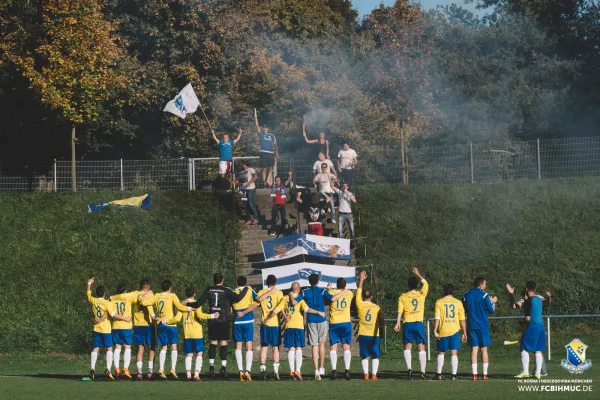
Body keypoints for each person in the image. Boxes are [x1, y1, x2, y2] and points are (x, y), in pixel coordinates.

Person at [188, 273, 249, 379]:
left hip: (212, 319)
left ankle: (211, 367)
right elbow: (238, 298)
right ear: (222, 280)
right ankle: (223, 368)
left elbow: (198, 304)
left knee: (213, 342)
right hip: (223, 319)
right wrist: (246, 289)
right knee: (223, 343)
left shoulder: (209, 290)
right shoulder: (226, 290)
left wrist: (186, 304)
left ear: (214, 280)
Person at [269, 281, 324, 381]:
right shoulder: (300, 299)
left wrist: (276, 318)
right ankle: (297, 370)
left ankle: (291, 370)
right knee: (298, 348)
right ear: (299, 289)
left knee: (291, 349)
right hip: (298, 327)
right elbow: (307, 310)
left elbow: (277, 309)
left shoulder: (285, 298)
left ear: (291, 288)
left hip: (288, 326)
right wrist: (318, 312)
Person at [86, 278, 130, 381]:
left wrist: (89, 284)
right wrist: (125, 318)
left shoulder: (94, 300)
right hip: (106, 329)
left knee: (95, 349)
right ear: (104, 293)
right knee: (109, 349)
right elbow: (113, 314)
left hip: (96, 328)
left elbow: (88, 294)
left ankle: (92, 369)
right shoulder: (107, 303)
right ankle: (108, 370)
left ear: (97, 294)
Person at [508, 281, 552, 379]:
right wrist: (549, 297)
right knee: (538, 350)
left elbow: (514, 306)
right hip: (541, 326)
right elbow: (547, 303)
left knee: (523, 347)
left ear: (526, 288)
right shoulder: (539, 299)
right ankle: (537, 373)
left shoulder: (528, 301)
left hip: (533, 326)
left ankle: (525, 371)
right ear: (535, 288)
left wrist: (511, 294)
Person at [289, 273, 329, 380]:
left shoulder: (305, 292)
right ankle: (321, 367)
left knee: (314, 346)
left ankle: (316, 370)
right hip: (322, 319)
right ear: (318, 281)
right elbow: (332, 298)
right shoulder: (322, 290)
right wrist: (329, 288)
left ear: (309, 282)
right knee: (321, 344)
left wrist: (290, 294)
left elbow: (293, 302)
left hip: (311, 320)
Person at [110, 282, 152, 380]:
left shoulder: (114, 298)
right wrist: (149, 291)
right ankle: (125, 368)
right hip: (126, 326)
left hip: (115, 325)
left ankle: (116, 368)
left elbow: (109, 300)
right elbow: (140, 296)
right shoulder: (129, 296)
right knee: (127, 348)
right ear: (125, 291)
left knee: (117, 347)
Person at [153, 279, 194, 380]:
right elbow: (180, 306)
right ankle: (173, 369)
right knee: (174, 347)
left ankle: (161, 369)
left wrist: (154, 316)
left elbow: (149, 303)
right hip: (171, 325)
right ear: (170, 288)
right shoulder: (172, 296)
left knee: (164, 347)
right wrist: (189, 308)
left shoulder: (157, 296)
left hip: (161, 324)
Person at [393, 267, 429, 380]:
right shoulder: (421, 294)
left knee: (408, 346)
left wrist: (398, 322)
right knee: (421, 346)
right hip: (418, 323)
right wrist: (418, 273)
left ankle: (409, 369)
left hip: (407, 323)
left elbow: (400, 311)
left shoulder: (403, 296)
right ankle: (422, 372)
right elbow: (426, 283)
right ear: (417, 286)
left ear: (408, 286)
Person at [180, 287, 219, 381]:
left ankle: (188, 374)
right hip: (197, 332)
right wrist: (212, 316)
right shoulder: (196, 303)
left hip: (187, 332)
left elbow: (178, 316)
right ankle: (196, 374)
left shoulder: (182, 304)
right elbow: (200, 315)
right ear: (194, 294)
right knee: (199, 353)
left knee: (189, 354)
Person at [463, 276, 497, 380]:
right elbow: (491, 310)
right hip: (482, 326)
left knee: (474, 350)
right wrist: (493, 302)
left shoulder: (466, 295)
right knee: (484, 349)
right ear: (481, 284)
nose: (485, 286)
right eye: (485, 284)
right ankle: (485, 374)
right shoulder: (484, 295)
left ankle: (474, 374)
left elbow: (465, 308)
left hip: (471, 325)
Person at [433, 284, 467, 380]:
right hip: (455, 331)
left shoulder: (439, 302)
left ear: (444, 291)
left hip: (443, 330)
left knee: (441, 352)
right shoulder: (458, 302)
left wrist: (435, 330)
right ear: (453, 291)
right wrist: (464, 332)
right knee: (454, 353)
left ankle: (439, 374)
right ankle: (454, 375)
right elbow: (462, 319)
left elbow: (437, 318)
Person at [253, 275, 284, 380]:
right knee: (275, 347)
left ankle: (263, 371)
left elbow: (257, 301)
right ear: (275, 282)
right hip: (274, 323)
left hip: (264, 323)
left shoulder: (262, 292)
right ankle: (275, 372)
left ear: (267, 282)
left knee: (264, 347)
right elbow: (281, 307)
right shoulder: (279, 292)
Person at [326, 278, 354, 380]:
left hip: (334, 322)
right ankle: (347, 371)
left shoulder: (331, 292)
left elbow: (328, 295)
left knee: (333, 347)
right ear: (345, 285)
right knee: (346, 347)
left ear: (336, 285)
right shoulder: (349, 293)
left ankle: (334, 371)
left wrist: (329, 287)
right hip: (346, 322)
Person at [356, 271, 382, 380]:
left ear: (362, 297)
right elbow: (381, 321)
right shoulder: (377, 308)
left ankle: (366, 374)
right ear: (371, 297)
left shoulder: (360, 304)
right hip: (374, 335)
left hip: (363, 334)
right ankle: (374, 374)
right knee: (375, 355)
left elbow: (358, 291)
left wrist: (361, 280)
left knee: (365, 355)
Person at [231, 276, 258, 382]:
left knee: (238, 345)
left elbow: (230, 306)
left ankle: (240, 371)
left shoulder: (233, 292)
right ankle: (248, 371)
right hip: (247, 321)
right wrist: (244, 312)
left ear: (237, 283)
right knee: (249, 345)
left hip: (237, 321)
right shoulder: (250, 290)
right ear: (246, 283)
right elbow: (256, 303)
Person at [132, 279, 156, 381]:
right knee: (151, 347)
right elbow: (150, 305)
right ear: (147, 287)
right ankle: (150, 372)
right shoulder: (150, 294)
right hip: (147, 324)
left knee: (140, 349)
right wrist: (153, 316)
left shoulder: (135, 294)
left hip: (137, 324)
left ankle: (139, 373)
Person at [254, 109, 278, 188]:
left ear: (268, 129)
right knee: (264, 169)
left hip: (270, 153)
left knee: (271, 168)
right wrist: (255, 118)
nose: (265, 129)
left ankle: (268, 180)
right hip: (263, 153)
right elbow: (257, 126)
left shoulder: (272, 135)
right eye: (264, 128)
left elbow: (275, 144)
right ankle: (264, 183)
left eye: (266, 128)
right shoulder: (261, 134)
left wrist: (277, 152)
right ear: (263, 129)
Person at [240, 160, 259, 225]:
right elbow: (241, 181)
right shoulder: (241, 172)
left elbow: (255, 177)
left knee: (251, 204)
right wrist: (236, 181)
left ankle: (255, 218)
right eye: (242, 164)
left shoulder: (251, 169)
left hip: (251, 189)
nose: (242, 165)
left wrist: (249, 182)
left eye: (243, 164)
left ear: (245, 164)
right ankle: (248, 219)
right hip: (243, 190)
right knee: (245, 205)